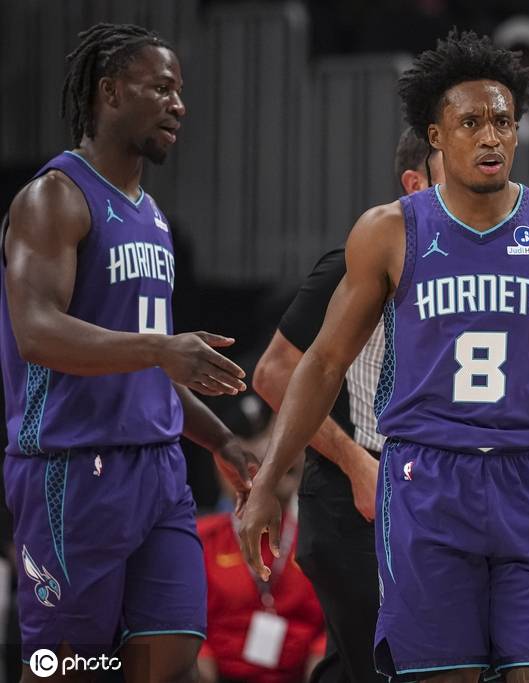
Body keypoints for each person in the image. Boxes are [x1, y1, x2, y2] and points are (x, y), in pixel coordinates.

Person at [239, 29, 529, 683]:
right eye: (470, 122)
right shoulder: (389, 231)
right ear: (437, 136)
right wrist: (267, 483)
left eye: (502, 121)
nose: (489, 136)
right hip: (428, 482)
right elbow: (323, 363)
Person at [0, 23, 258, 680]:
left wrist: (223, 440)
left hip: (158, 469)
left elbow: (147, 365)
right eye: (162, 88)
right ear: (110, 92)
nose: (179, 105)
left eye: (181, 91)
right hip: (72, 469)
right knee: (66, 667)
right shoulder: (54, 196)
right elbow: (36, 331)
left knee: (172, 649)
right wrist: (159, 348)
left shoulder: (153, 217)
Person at [251, 127, 444, 682]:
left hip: (426, 490)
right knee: (398, 667)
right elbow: (273, 374)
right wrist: (357, 463)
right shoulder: (353, 264)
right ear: (415, 183)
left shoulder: (462, 271)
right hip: (352, 498)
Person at [198, 406, 326, 683]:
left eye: (289, 468)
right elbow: (184, 622)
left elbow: (329, 630)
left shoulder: (317, 541)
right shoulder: (202, 539)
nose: (282, 472)